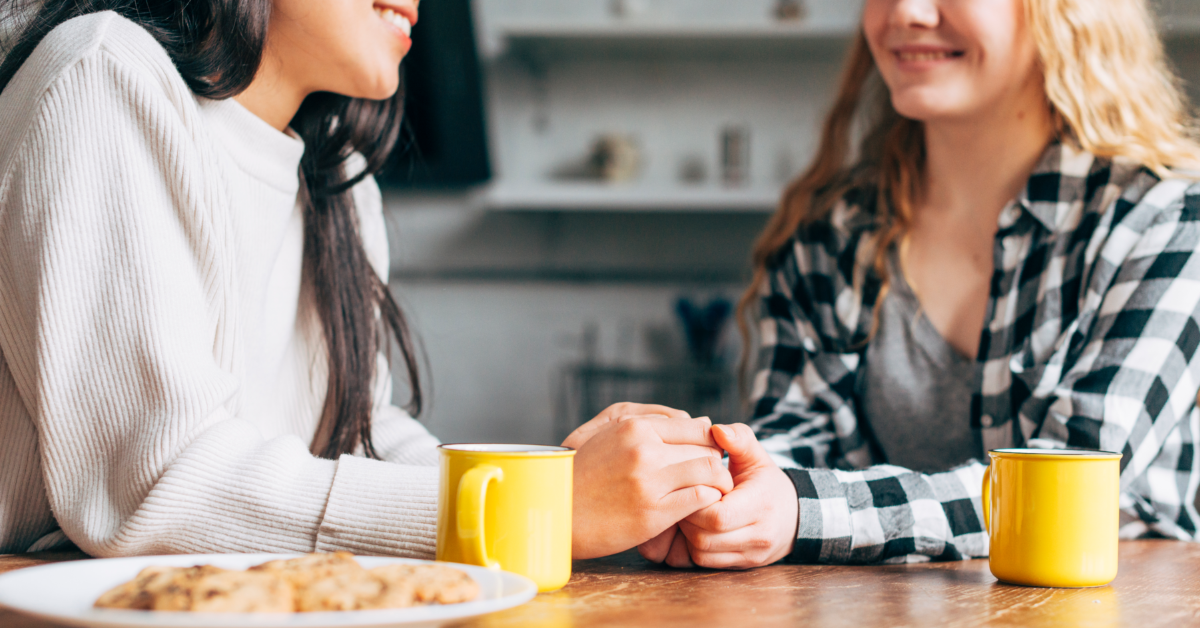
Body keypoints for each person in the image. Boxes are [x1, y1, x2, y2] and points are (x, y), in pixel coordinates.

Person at [0, 0, 732, 558]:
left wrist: (600, 493)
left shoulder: (337, 178)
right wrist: (534, 512)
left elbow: (361, 438)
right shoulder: (104, 73)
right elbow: (160, 485)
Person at [638, 0, 1200, 569]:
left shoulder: (1166, 222)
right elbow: (786, 454)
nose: (906, 12)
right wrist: (714, 501)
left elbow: (1070, 484)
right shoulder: (830, 236)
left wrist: (803, 511)